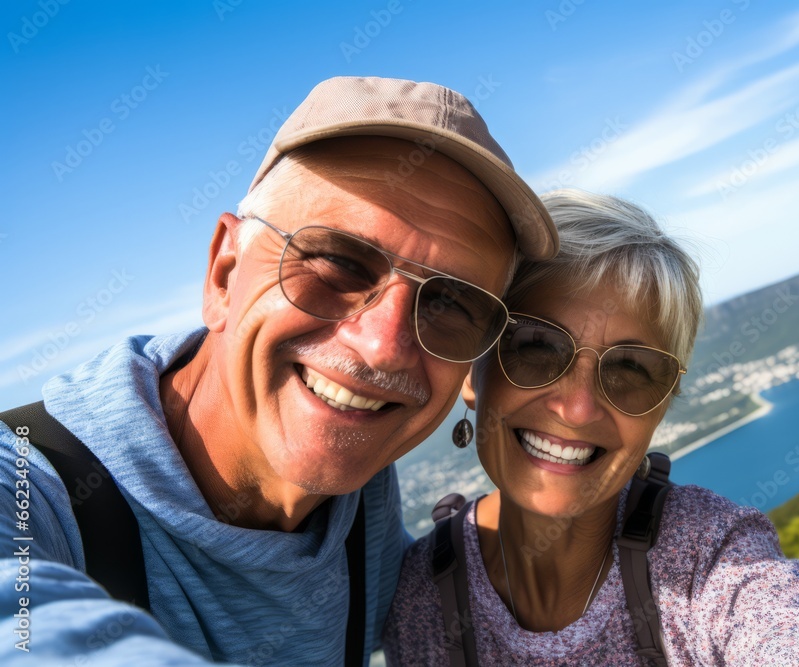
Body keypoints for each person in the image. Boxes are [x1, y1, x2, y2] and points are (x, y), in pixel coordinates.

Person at [0, 76, 557, 665]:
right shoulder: (31, 488)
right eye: (338, 261)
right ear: (224, 273)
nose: (385, 348)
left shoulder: (361, 504)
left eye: (451, 305)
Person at [383, 189, 799, 665]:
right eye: (535, 347)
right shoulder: (421, 598)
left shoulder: (709, 558)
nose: (577, 409)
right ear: (474, 369)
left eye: (631, 369)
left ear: (662, 405)